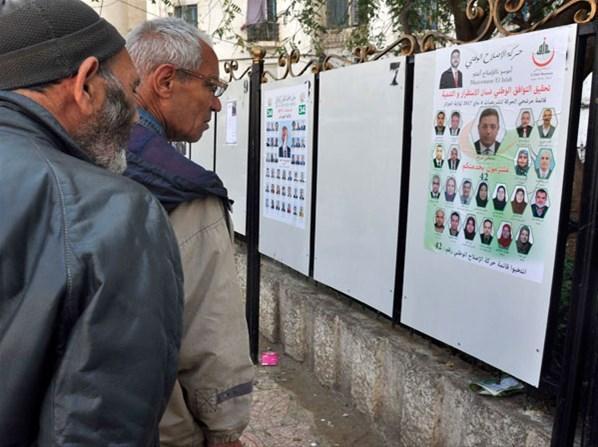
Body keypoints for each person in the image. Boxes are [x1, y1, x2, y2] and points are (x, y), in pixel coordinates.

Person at [0, 1, 184, 445]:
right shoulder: (115, 213)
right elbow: (99, 427)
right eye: (129, 90)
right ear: (84, 84)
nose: (136, 116)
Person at [125, 18, 254, 447]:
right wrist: (224, 429)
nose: (217, 105)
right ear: (165, 81)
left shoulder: (71, 154)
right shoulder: (186, 192)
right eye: (211, 87)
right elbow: (210, 334)